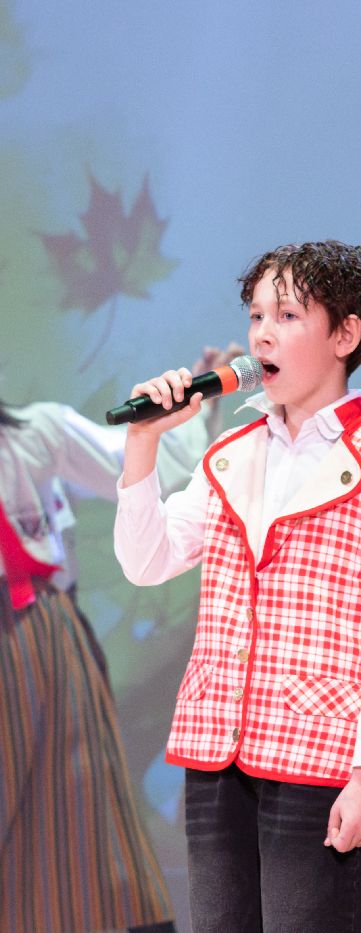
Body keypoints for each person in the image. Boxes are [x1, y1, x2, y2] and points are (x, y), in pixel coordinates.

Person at [114, 241, 361, 933]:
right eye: (256, 315)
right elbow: (148, 561)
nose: (262, 334)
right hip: (218, 748)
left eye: (287, 315)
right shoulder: (230, 454)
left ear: (345, 335)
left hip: (320, 754)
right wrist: (143, 446)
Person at [0, 347, 232, 933]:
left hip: (37, 640)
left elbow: (130, 461)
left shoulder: (34, 434)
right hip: (39, 639)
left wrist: (199, 411)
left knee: (76, 807)